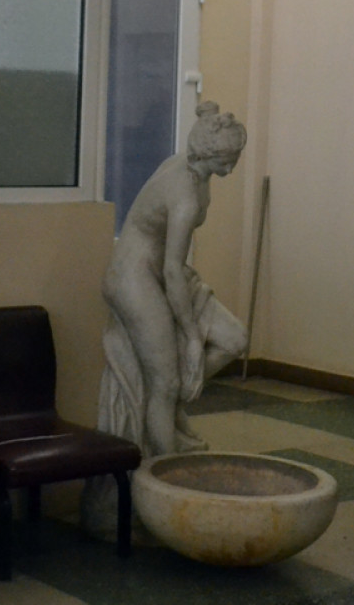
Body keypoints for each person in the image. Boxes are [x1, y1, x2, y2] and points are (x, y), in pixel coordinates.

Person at [97, 102, 249, 459]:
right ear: (208, 154)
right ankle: (165, 471)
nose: (231, 168)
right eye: (227, 160)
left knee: (235, 339)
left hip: (165, 271)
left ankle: (169, 409)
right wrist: (192, 337)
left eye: (235, 158)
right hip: (134, 278)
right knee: (164, 384)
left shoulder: (191, 165)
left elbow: (173, 268)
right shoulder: (185, 197)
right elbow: (172, 270)